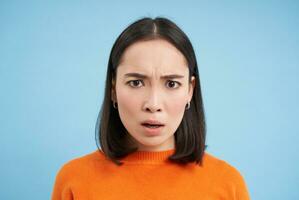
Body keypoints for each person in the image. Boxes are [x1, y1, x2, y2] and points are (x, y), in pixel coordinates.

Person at [51, 17, 251, 200]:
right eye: (136, 82)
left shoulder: (228, 185)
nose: (153, 104)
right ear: (113, 89)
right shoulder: (74, 180)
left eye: (171, 84)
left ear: (190, 91)